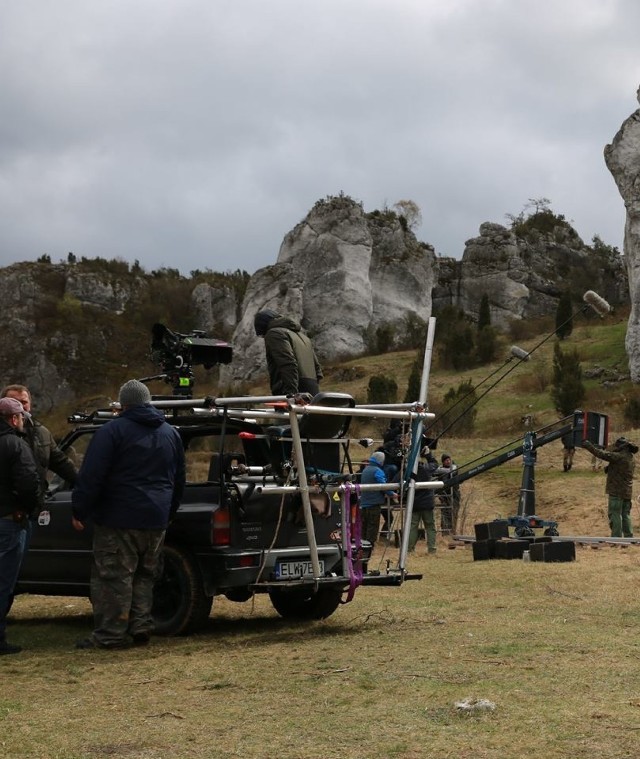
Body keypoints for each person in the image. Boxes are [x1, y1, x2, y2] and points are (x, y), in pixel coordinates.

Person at [71, 379, 186, 649]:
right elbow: (179, 479)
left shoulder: (112, 432)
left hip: (118, 517)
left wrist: (80, 509)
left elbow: (92, 476)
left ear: (123, 404)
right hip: (156, 518)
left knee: (114, 576)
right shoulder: (171, 433)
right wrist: (168, 512)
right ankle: (140, 625)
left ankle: (111, 633)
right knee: (146, 575)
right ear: (147, 401)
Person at [0, 397, 41, 655]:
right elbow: (28, 482)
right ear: (14, 419)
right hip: (8, 520)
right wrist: (27, 509)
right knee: (4, 581)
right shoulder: (15, 444)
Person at [1, 384, 78, 490]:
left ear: (30, 405)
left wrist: (87, 483)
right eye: (14, 401)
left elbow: (61, 463)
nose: (20, 406)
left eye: (24, 402)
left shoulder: (42, 433)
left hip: (36, 501)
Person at [254, 310, 323, 396]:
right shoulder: (302, 336)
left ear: (262, 326)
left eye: (262, 335)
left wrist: (290, 393)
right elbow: (317, 368)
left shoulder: (274, 333)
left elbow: (288, 363)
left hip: (289, 388)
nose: (264, 337)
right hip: (312, 388)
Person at [583, 436, 638, 538]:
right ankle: (629, 537)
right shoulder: (630, 457)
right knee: (626, 515)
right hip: (627, 491)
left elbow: (601, 454)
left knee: (615, 514)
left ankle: (616, 538)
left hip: (616, 491)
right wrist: (610, 468)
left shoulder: (619, 456)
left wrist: (588, 446)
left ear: (621, 447)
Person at [359, 451, 398, 546]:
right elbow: (382, 485)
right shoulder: (377, 471)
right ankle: (369, 546)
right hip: (373, 504)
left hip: (364, 504)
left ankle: (362, 545)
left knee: (364, 527)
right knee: (372, 527)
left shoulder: (365, 470)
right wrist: (392, 494)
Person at [406, 446, 439, 554]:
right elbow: (435, 464)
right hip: (427, 502)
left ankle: (410, 549)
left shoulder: (409, 472)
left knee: (412, 527)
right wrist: (428, 455)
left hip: (414, 502)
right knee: (430, 526)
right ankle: (432, 549)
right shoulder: (426, 468)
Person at [435, 453, 461, 534]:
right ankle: (445, 533)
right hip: (444, 495)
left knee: (454, 513)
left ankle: (453, 532)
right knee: (445, 514)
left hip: (455, 495)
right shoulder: (439, 469)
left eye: (449, 459)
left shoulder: (454, 467)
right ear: (443, 462)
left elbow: (452, 472)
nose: (448, 461)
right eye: (446, 460)